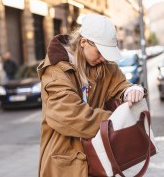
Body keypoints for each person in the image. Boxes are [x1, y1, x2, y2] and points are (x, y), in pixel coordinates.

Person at [37, 14, 146, 177]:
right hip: (66, 162)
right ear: (83, 42)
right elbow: (68, 115)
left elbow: (120, 85)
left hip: (98, 155)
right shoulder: (55, 70)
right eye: (100, 52)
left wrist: (130, 91)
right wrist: (113, 122)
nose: (103, 58)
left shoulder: (103, 65)